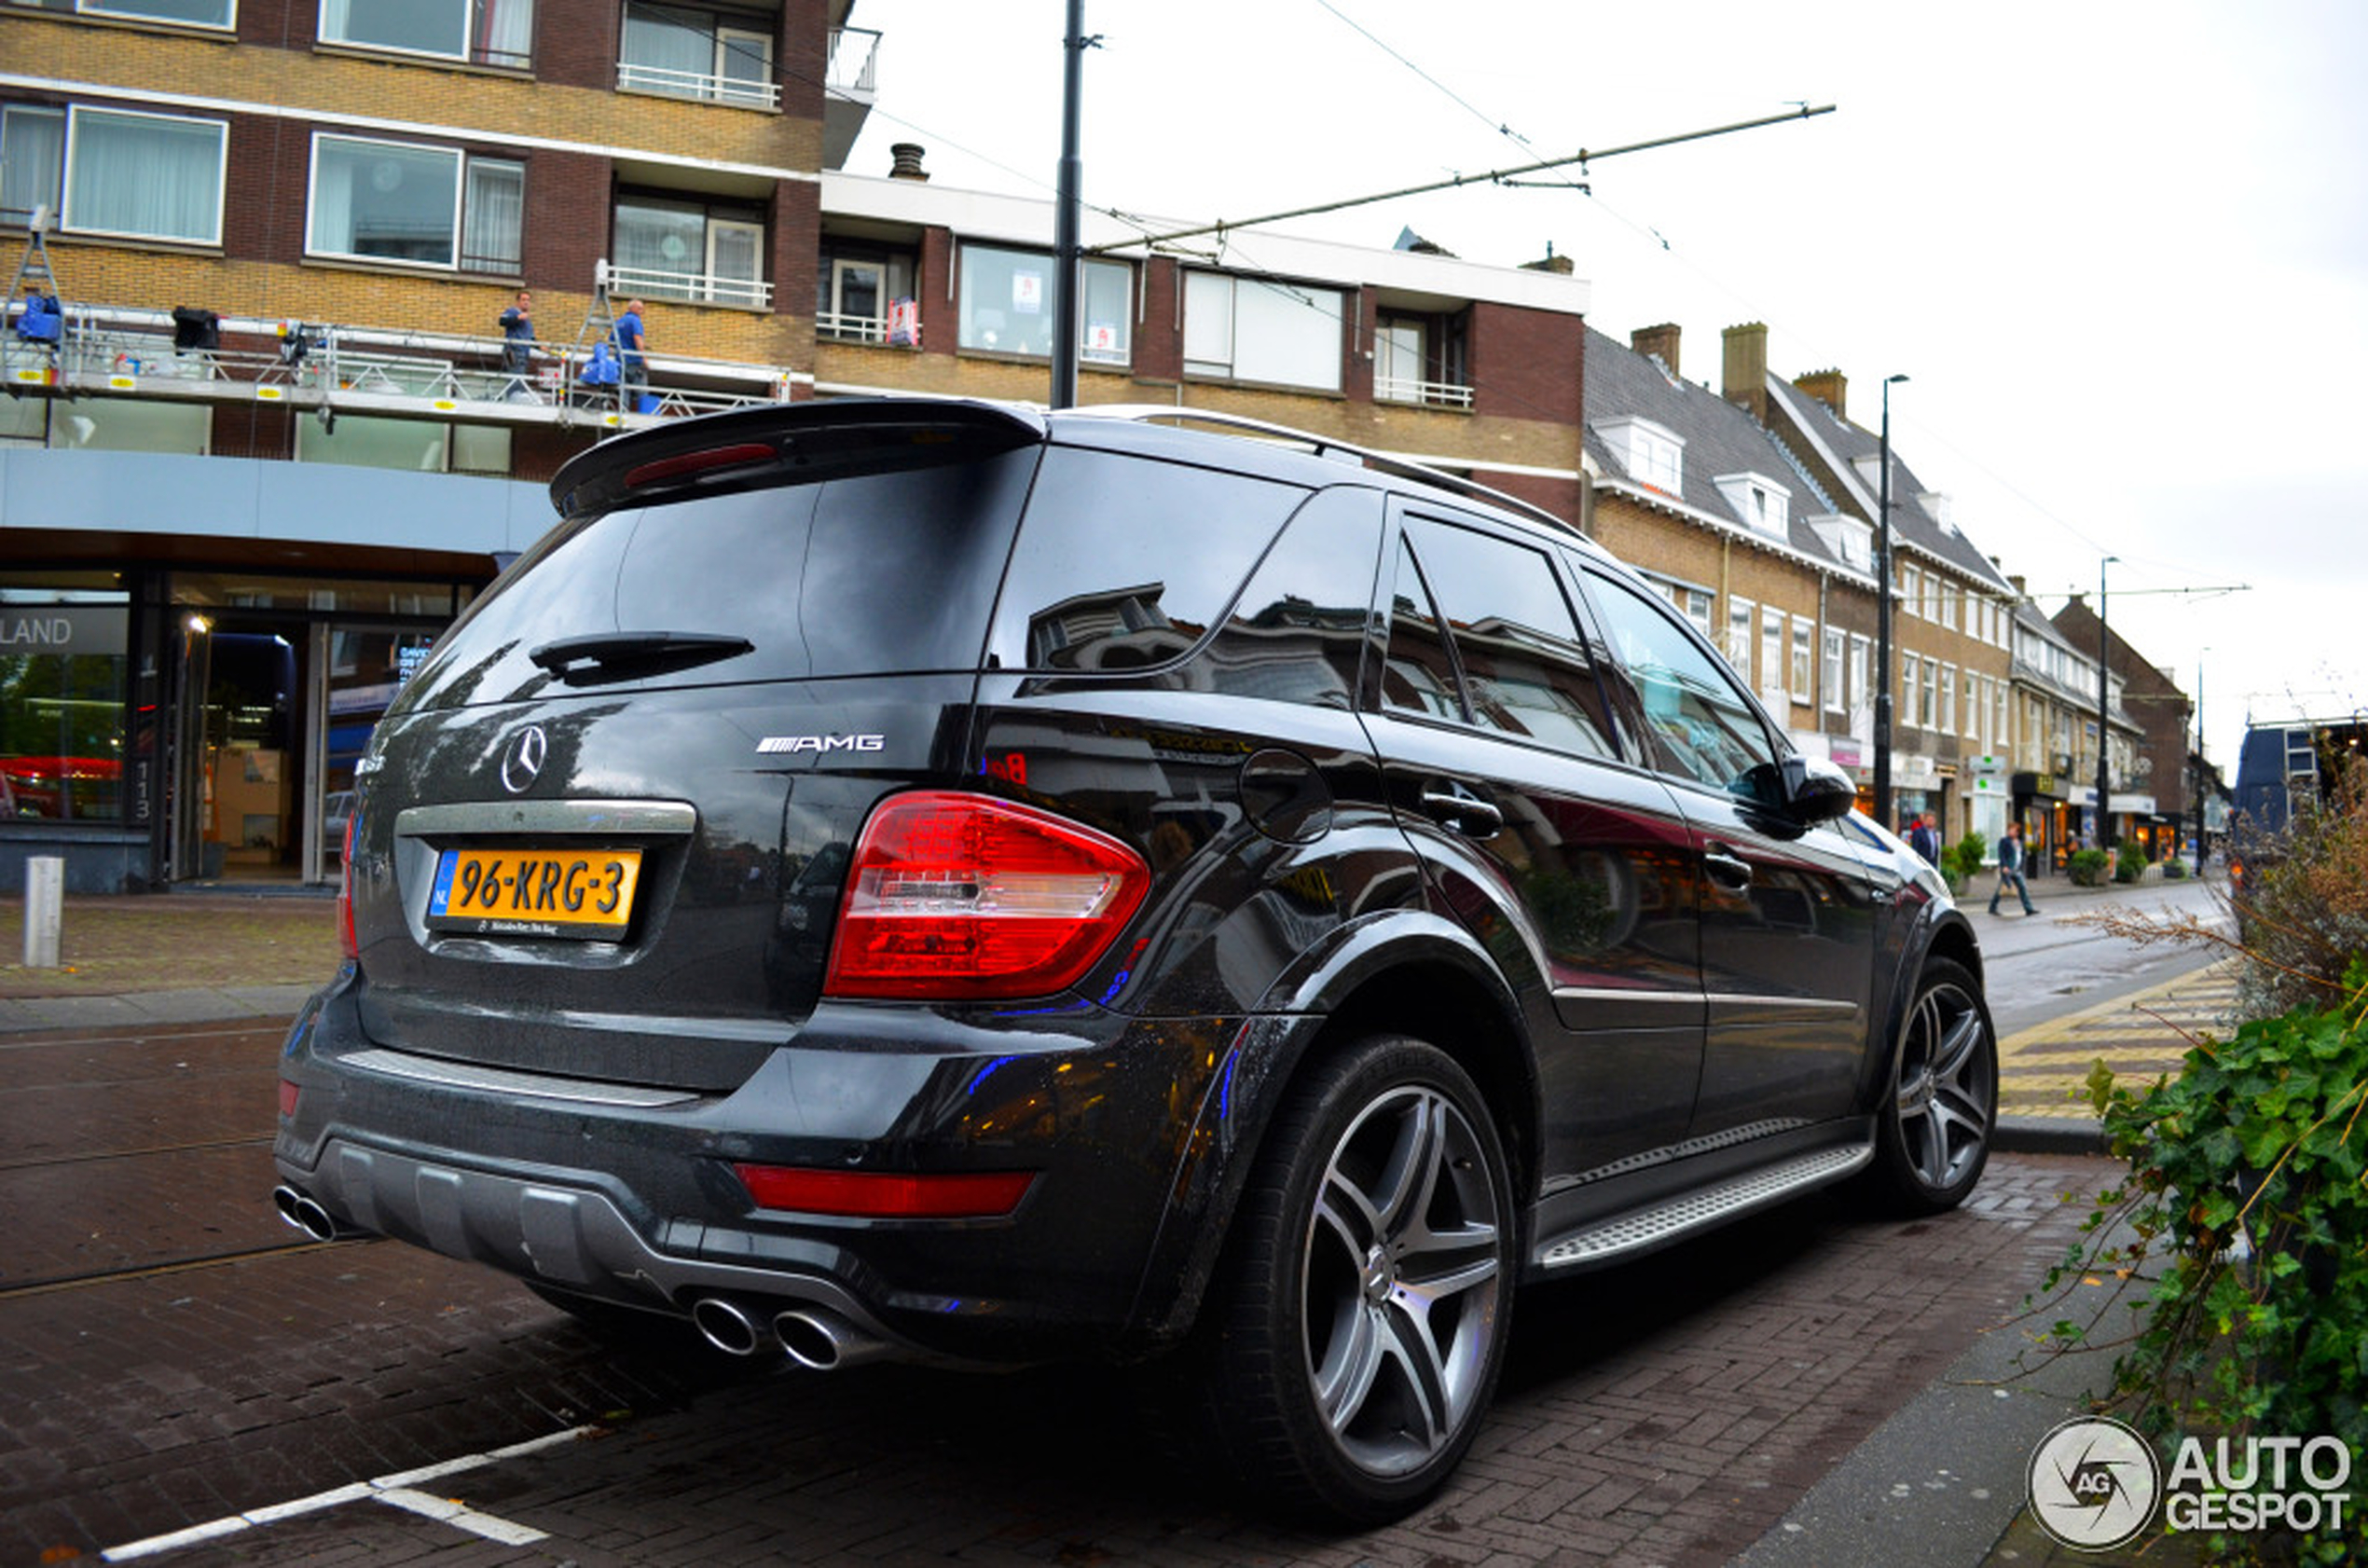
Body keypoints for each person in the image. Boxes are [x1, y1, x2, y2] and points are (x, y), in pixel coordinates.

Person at [1989, 822, 2038, 915]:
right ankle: (1992, 907)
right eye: (2009, 830)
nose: (2010, 832)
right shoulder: (2004, 841)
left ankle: (2029, 909)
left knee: (2022, 887)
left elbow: (2022, 854)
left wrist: (2022, 863)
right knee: (2001, 889)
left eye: (2012, 830)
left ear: (2017, 832)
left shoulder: (2020, 842)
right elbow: (2001, 854)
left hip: (2016, 869)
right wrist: (2004, 866)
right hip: (2007, 869)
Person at [613, 297, 647, 402]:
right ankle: (644, 415)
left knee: (624, 390)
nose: (642, 312)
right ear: (633, 308)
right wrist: (644, 358)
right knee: (641, 392)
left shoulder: (618, 322)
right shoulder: (635, 320)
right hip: (633, 362)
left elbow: (612, 341)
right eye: (640, 309)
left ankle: (623, 413)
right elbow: (637, 337)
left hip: (620, 361)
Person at [498, 290, 533, 375]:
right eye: (523, 300)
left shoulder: (528, 322)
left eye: (528, 300)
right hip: (515, 351)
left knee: (519, 379)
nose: (526, 302)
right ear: (518, 302)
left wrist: (540, 347)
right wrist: (517, 318)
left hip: (524, 353)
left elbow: (530, 338)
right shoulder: (513, 312)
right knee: (516, 380)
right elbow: (502, 321)